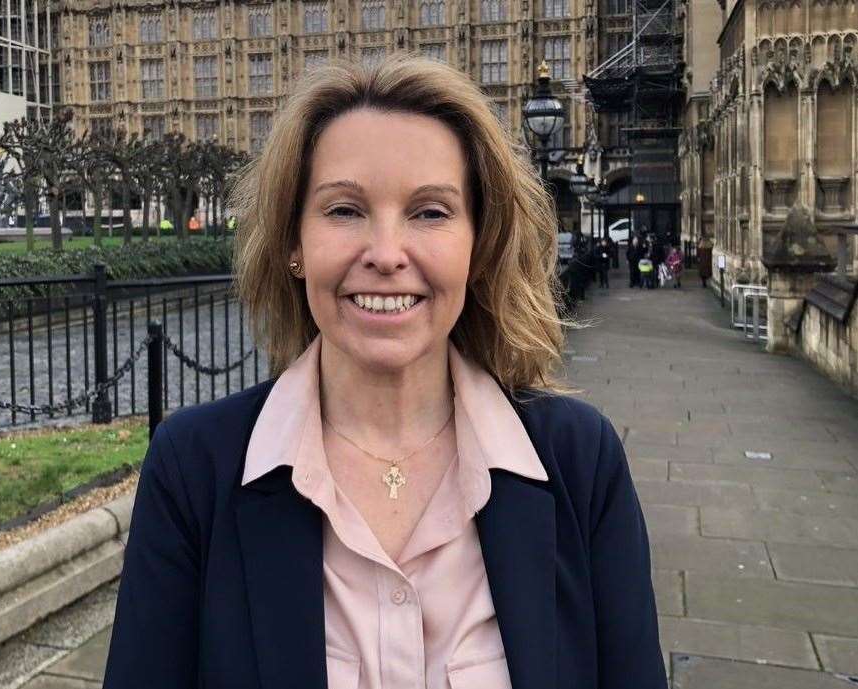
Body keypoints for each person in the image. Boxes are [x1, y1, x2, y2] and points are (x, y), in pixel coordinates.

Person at [102, 53, 665, 689]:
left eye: (430, 212)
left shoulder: (580, 463)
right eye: (344, 210)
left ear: (478, 245)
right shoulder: (193, 470)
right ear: (293, 243)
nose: (386, 255)